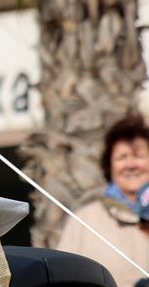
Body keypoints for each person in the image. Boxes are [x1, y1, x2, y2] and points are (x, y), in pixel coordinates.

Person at [57, 115, 149, 285]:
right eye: (122, 157)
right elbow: (62, 278)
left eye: (139, 156)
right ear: (109, 166)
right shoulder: (83, 221)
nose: (130, 165)